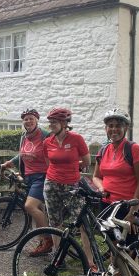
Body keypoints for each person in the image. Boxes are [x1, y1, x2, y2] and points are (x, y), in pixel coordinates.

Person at [31, 107, 92, 264]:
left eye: (54, 122)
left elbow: (87, 161)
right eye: (50, 122)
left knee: (82, 223)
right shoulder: (47, 142)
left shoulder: (76, 139)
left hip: (72, 186)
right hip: (51, 185)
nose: (51, 125)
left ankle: (90, 262)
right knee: (55, 222)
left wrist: (72, 168)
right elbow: (48, 163)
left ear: (64, 123)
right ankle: (58, 258)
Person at [0, 109, 49, 242]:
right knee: (37, 209)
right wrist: (8, 163)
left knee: (30, 206)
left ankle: (49, 238)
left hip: (42, 176)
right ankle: (42, 242)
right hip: (28, 176)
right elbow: (22, 154)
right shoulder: (24, 136)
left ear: (37, 120)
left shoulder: (45, 135)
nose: (28, 121)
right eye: (25, 119)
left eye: (31, 118)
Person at [92, 108, 139, 223]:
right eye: (110, 126)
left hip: (127, 206)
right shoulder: (103, 150)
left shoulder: (134, 149)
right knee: (106, 235)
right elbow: (96, 176)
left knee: (126, 236)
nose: (114, 129)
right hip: (106, 205)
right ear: (106, 128)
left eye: (118, 126)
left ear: (126, 128)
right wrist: (101, 188)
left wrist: (133, 212)